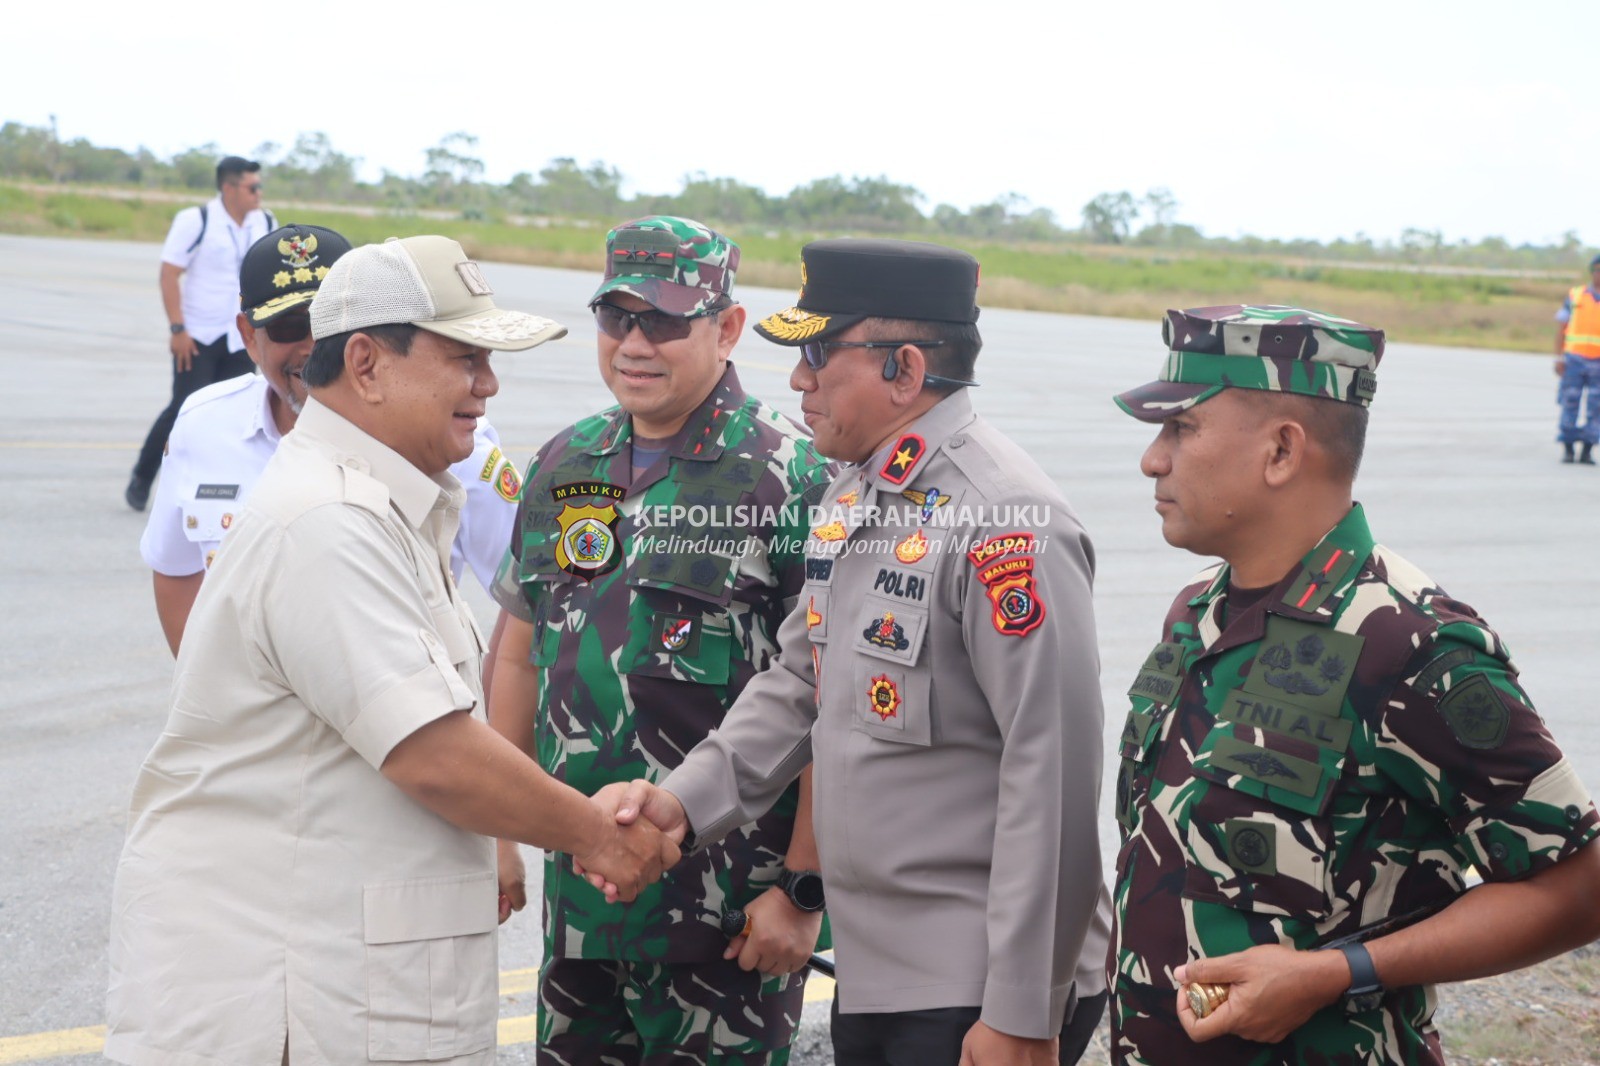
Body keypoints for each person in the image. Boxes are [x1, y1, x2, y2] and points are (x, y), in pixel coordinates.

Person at [106, 235, 679, 1066]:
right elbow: (435, 754)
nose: (487, 386)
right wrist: (593, 832)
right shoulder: (327, 525)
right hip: (292, 1007)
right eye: (464, 358)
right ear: (367, 364)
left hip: (339, 989)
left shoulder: (386, 508)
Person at [603, 238, 1113, 1066]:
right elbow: (802, 679)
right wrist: (682, 806)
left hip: (975, 982)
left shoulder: (1006, 521)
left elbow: (1052, 773)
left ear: (905, 371)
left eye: (816, 353)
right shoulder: (860, 488)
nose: (799, 380)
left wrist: (1023, 1011)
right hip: (884, 973)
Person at [1109, 304, 1600, 1063]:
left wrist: (1336, 974)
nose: (1152, 459)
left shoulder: (1408, 643)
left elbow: (1579, 884)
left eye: (1181, 429)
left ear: (1281, 450)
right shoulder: (1198, 612)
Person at [487, 215, 837, 1064]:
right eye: (617, 319)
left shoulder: (791, 476)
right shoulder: (567, 461)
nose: (634, 344)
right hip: (581, 907)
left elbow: (833, 694)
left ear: (726, 328)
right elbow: (518, 649)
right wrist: (498, 832)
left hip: (724, 923)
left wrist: (802, 889)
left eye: (665, 322)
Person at [139, 222, 525, 656]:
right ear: (249, 336)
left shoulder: (451, 444)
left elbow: (529, 603)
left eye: (327, 323)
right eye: (289, 326)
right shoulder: (204, 426)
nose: (312, 347)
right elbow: (174, 569)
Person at [127, 155, 277, 510]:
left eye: (260, 186)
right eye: (252, 187)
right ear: (229, 188)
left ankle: (222, 490)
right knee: (183, 410)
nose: (259, 193)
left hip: (242, 337)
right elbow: (169, 274)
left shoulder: (266, 222)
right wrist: (178, 329)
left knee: (238, 412)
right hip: (198, 336)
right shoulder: (197, 220)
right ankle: (143, 476)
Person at [1552, 254, 1600, 464]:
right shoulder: (1575, 295)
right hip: (1574, 361)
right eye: (1598, 270)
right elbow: (1562, 328)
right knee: (1569, 403)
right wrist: (1558, 357)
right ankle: (1568, 448)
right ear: (1593, 272)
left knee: (1597, 408)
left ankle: (1587, 450)